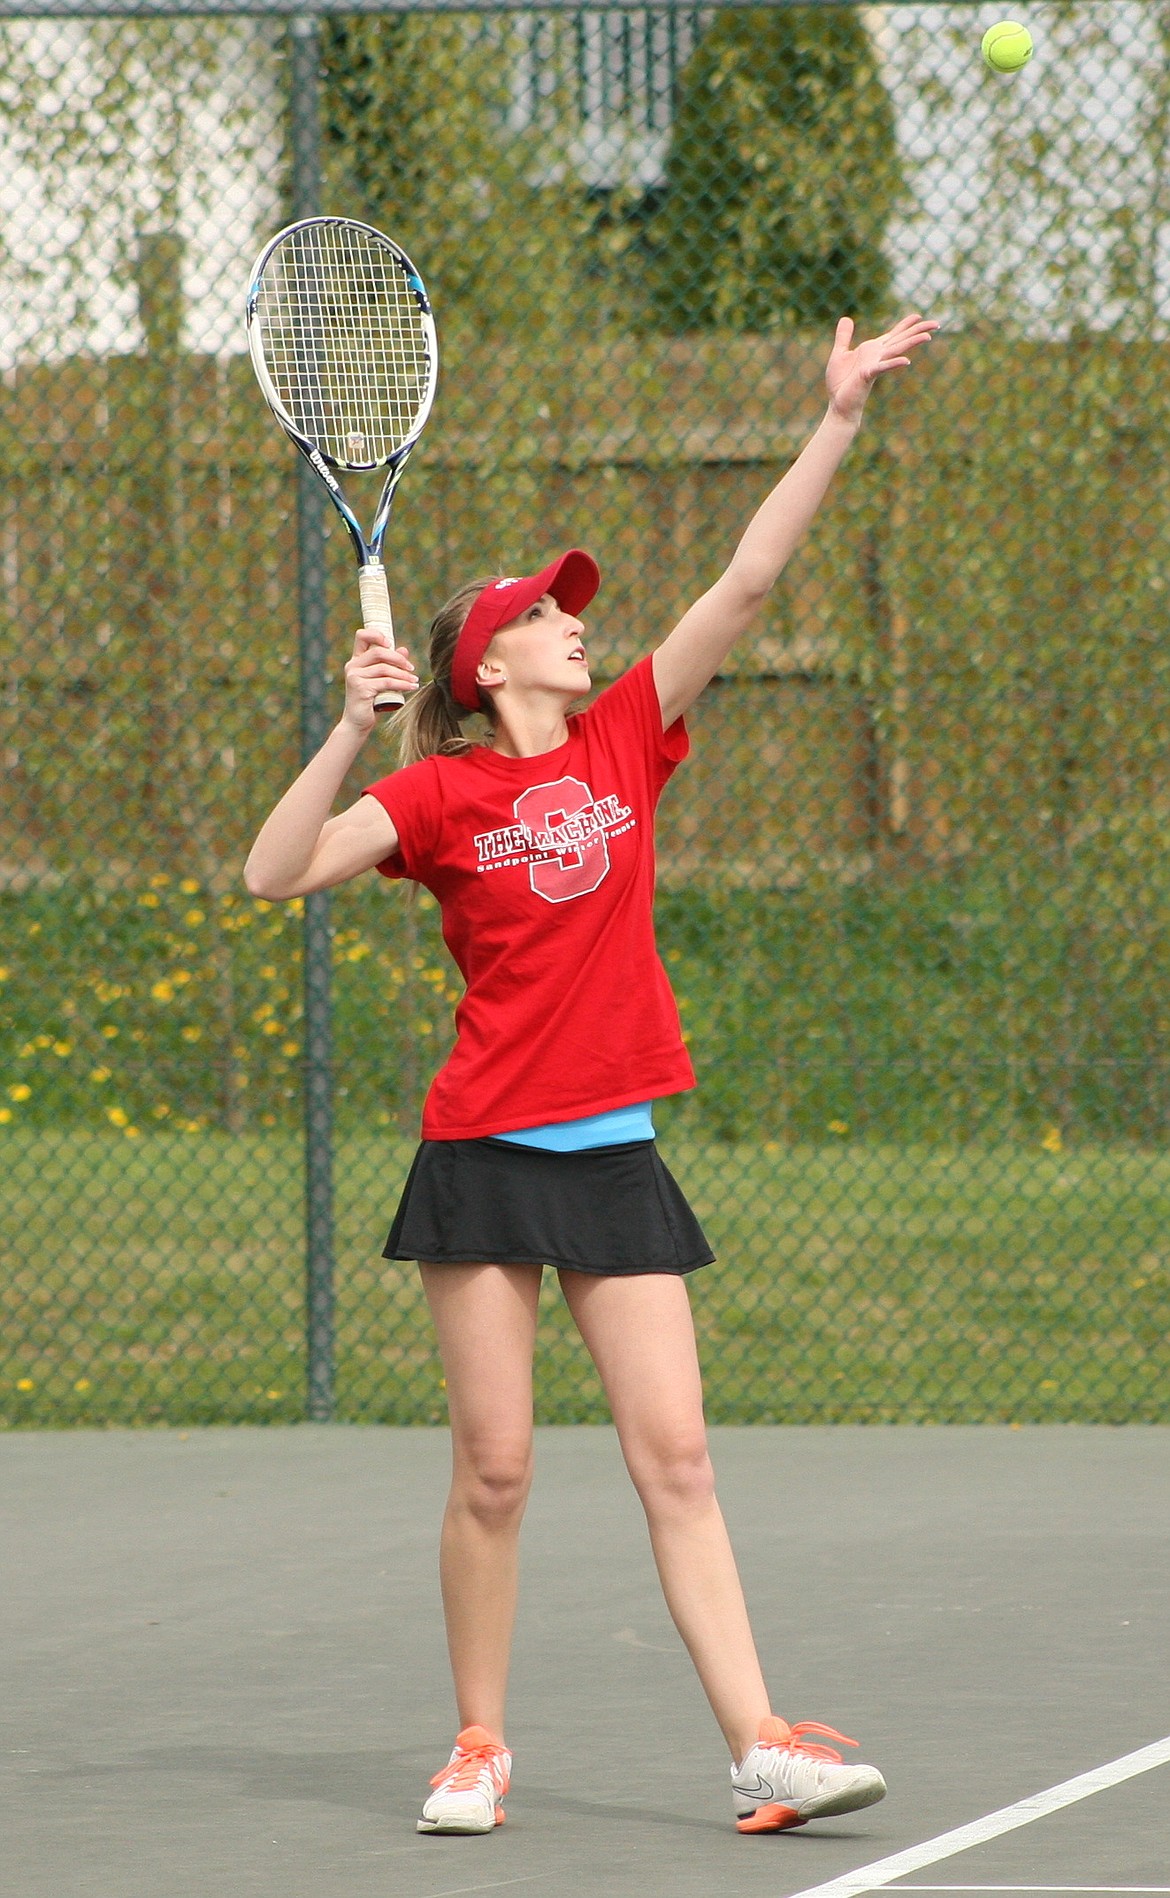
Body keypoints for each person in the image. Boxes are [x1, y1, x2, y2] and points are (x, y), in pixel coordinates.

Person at [244, 310, 938, 1837]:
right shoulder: (429, 791)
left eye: (576, 610)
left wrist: (832, 420)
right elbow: (270, 872)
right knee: (494, 1470)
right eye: (547, 614)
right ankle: (478, 1744)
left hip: (611, 1151)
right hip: (484, 1147)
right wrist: (346, 734)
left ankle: (760, 1740)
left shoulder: (625, 737)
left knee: (675, 1456)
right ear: (484, 663)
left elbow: (747, 582)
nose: (579, 621)